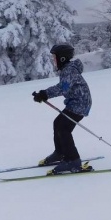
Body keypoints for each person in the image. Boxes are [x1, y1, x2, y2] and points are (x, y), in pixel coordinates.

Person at [32, 43, 92, 174]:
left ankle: (73, 160)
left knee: (63, 128)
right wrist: (44, 94)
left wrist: (45, 94)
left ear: (62, 58)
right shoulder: (67, 69)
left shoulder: (68, 70)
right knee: (58, 123)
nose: (54, 60)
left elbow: (62, 88)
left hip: (80, 103)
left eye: (55, 57)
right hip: (76, 103)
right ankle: (60, 153)